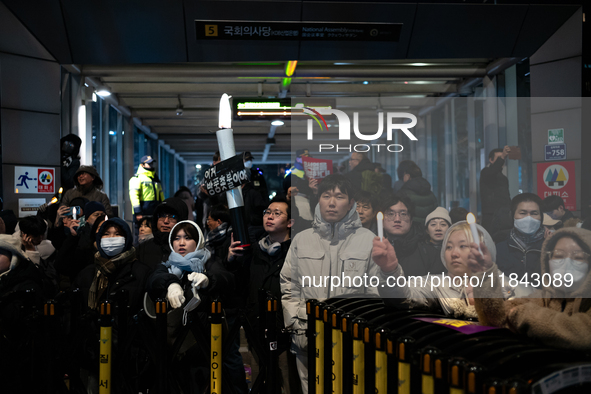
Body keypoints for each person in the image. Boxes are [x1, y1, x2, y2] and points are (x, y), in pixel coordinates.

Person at [280, 174, 380, 394]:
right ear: (319, 199)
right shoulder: (302, 239)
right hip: (307, 336)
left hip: (352, 341)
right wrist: (295, 323)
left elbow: (375, 292)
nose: (332, 202)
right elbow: (289, 284)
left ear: (351, 203)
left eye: (339, 196)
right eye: (326, 196)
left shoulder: (368, 239)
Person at [146, 220, 235, 392]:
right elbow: (153, 279)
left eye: (187, 238)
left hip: (202, 349)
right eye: (177, 238)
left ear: (198, 241)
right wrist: (171, 283)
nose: (181, 242)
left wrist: (209, 281)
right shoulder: (167, 265)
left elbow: (227, 279)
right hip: (171, 350)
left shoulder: (209, 262)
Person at [470, 227, 591, 350]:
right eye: (559, 256)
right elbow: (496, 317)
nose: (567, 264)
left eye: (578, 257)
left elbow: (583, 333)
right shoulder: (543, 298)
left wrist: (526, 314)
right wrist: (485, 275)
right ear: (547, 261)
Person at [228, 197, 299, 394]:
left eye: (277, 213)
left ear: (290, 222)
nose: (270, 216)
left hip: (286, 333)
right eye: (267, 212)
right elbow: (239, 286)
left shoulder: (296, 253)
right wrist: (232, 260)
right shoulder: (254, 251)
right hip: (256, 330)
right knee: (258, 385)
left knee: (287, 384)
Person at [374, 221, 514, 318]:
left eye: (463, 246)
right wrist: (390, 270)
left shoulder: (503, 283)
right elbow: (402, 298)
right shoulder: (437, 284)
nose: (454, 253)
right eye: (449, 247)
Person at [381, 194, 444, 278]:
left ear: (411, 220)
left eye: (403, 214)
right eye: (391, 214)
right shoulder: (372, 250)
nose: (397, 219)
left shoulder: (428, 253)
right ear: (381, 221)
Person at [496, 193, 545, 278]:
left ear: (541, 217)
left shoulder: (549, 247)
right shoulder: (499, 249)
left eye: (534, 213)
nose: (528, 218)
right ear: (512, 216)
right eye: (523, 213)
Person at [137, 197, 189, 271]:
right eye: (162, 215)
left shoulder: (186, 248)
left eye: (172, 217)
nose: (166, 221)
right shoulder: (142, 248)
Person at [130, 155, 165, 241]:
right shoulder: (137, 178)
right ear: (142, 165)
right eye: (149, 163)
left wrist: (163, 208)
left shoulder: (155, 179)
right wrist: (138, 212)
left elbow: (161, 195)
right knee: (140, 234)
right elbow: (134, 195)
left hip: (154, 211)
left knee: (154, 233)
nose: (151, 165)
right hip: (143, 212)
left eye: (152, 163)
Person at [480, 146, 512, 233]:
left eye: (503, 158)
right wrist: (502, 157)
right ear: (491, 160)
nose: (502, 160)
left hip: (504, 215)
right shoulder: (485, 172)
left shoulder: (504, 178)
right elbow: (492, 173)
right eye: (499, 158)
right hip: (490, 215)